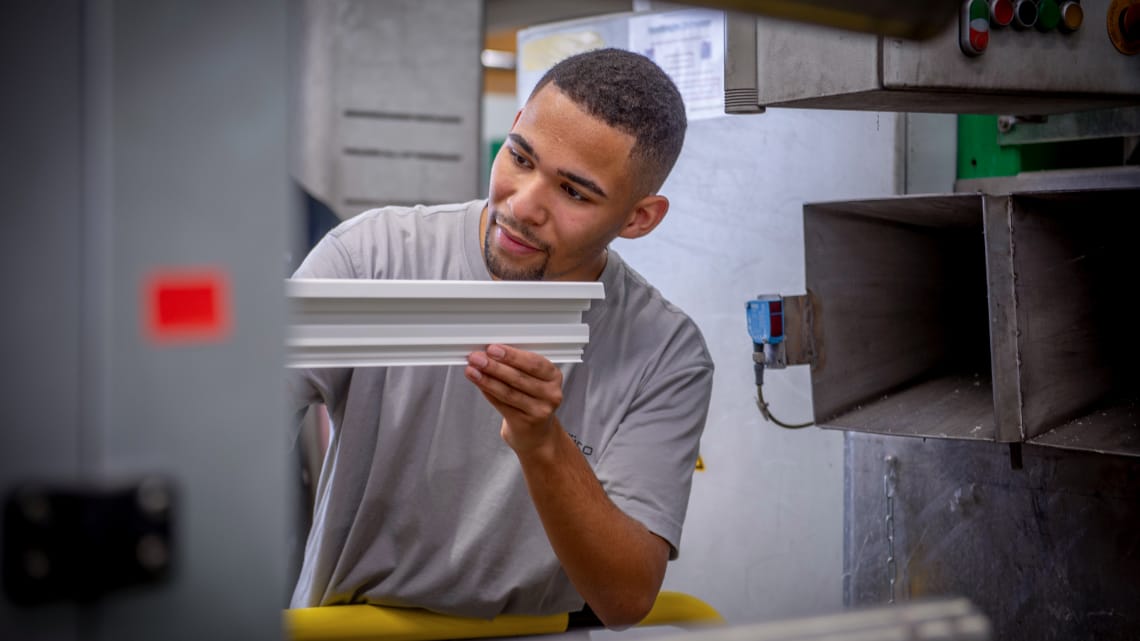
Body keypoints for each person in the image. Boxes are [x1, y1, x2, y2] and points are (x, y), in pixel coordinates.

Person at [288, 48, 714, 629]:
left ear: (639, 218)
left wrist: (542, 441)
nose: (523, 204)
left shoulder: (666, 352)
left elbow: (626, 597)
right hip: (348, 634)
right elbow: (227, 441)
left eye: (574, 193)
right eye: (520, 158)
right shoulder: (371, 256)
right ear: (513, 128)